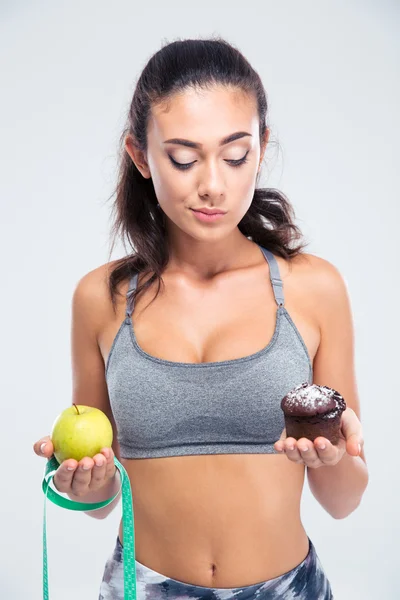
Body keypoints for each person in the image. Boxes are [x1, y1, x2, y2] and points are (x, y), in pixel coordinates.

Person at [33, 37, 369, 599]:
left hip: (289, 588)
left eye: (235, 156)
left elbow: (345, 499)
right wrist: (85, 481)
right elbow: (99, 500)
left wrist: (333, 456)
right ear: (140, 156)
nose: (213, 183)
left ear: (261, 148)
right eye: (184, 159)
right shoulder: (101, 297)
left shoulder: (313, 289)